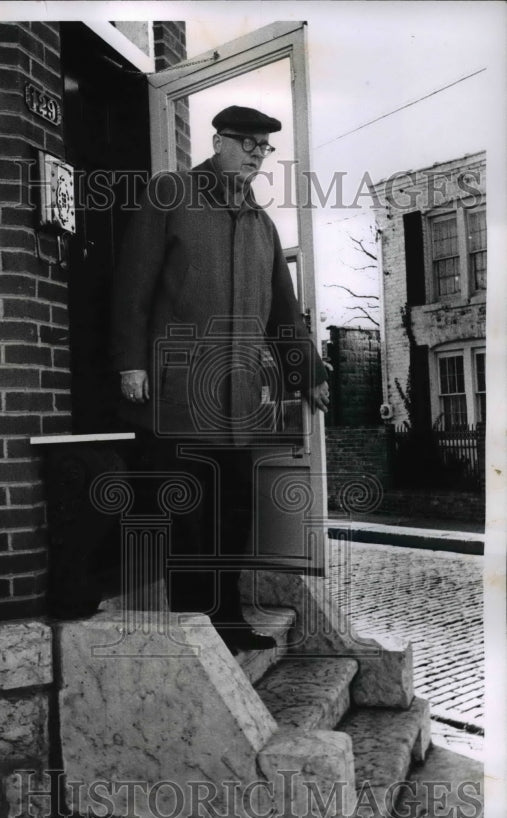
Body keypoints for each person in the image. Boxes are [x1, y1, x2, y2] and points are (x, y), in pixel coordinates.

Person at [109, 105, 329, 652]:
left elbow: (284, 310)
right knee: (188, 517)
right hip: (176, 394)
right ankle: (197, 635)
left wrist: (309, 373)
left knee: (232, 517)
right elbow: (132, 287)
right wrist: (131, 362)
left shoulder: (261, 223)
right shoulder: (171, 195)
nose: (257, 153)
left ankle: (228, 621)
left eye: (264, 146)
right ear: (217, 141)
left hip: (236, 404)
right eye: (247, 142)